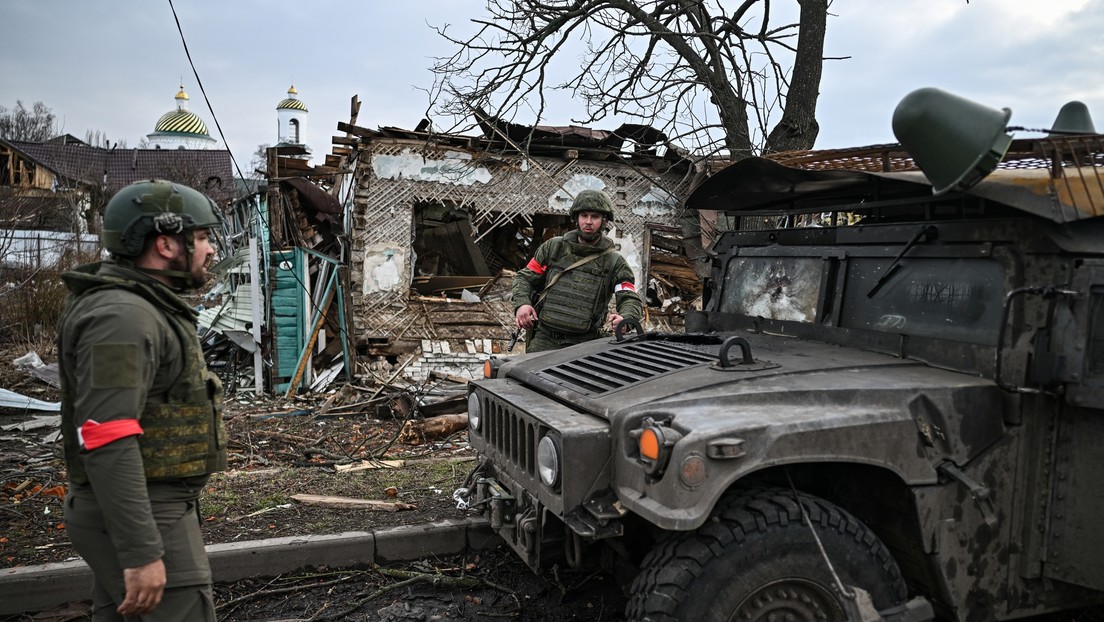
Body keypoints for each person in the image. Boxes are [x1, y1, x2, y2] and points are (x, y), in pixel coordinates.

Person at [58, 179, 225, 622]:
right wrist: (142, 552)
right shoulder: (123, 317)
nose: (211, 249)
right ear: (166, 244)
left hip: (145, 506)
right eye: (202, 237)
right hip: (145, 512)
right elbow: (107, 434)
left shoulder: (140, 306)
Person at [512, 189, 643, 352]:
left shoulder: (614, 263)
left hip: (585, 344)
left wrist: (626, 319)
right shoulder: (553, 248)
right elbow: (525, 278)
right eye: (584, 216)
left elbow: (630, 297)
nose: (588, 222)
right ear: (576, 218)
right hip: (545, 339)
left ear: (604, 221)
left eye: (595, 217)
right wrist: (522, 304)